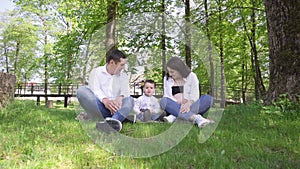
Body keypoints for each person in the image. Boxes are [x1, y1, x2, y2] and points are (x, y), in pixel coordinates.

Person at [76, 49, 134, 132]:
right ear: (112, 62)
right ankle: (121, 118)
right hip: (101, 106)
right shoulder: (96, 72)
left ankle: (112, 121)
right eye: (121, 65)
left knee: (130, 100)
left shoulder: (123, 75)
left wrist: (120, 98)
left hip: (117, 108)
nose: (123, 68)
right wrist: (105, 101)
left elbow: (126, 91)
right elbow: (95, 89)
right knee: (81, 91)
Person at [160, 57, 214, 128]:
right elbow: (167, 95)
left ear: (179, 69)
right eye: (168, 71)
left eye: (172, 72)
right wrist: (178, 102)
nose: (170, 74)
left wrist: (188, 103)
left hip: (191, 105)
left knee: (208, 98)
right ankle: (196, 118)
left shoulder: (192, 76)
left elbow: (195, 94)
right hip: (174, 105)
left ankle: (175, 116)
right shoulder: (167, 79)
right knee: (163, 101)